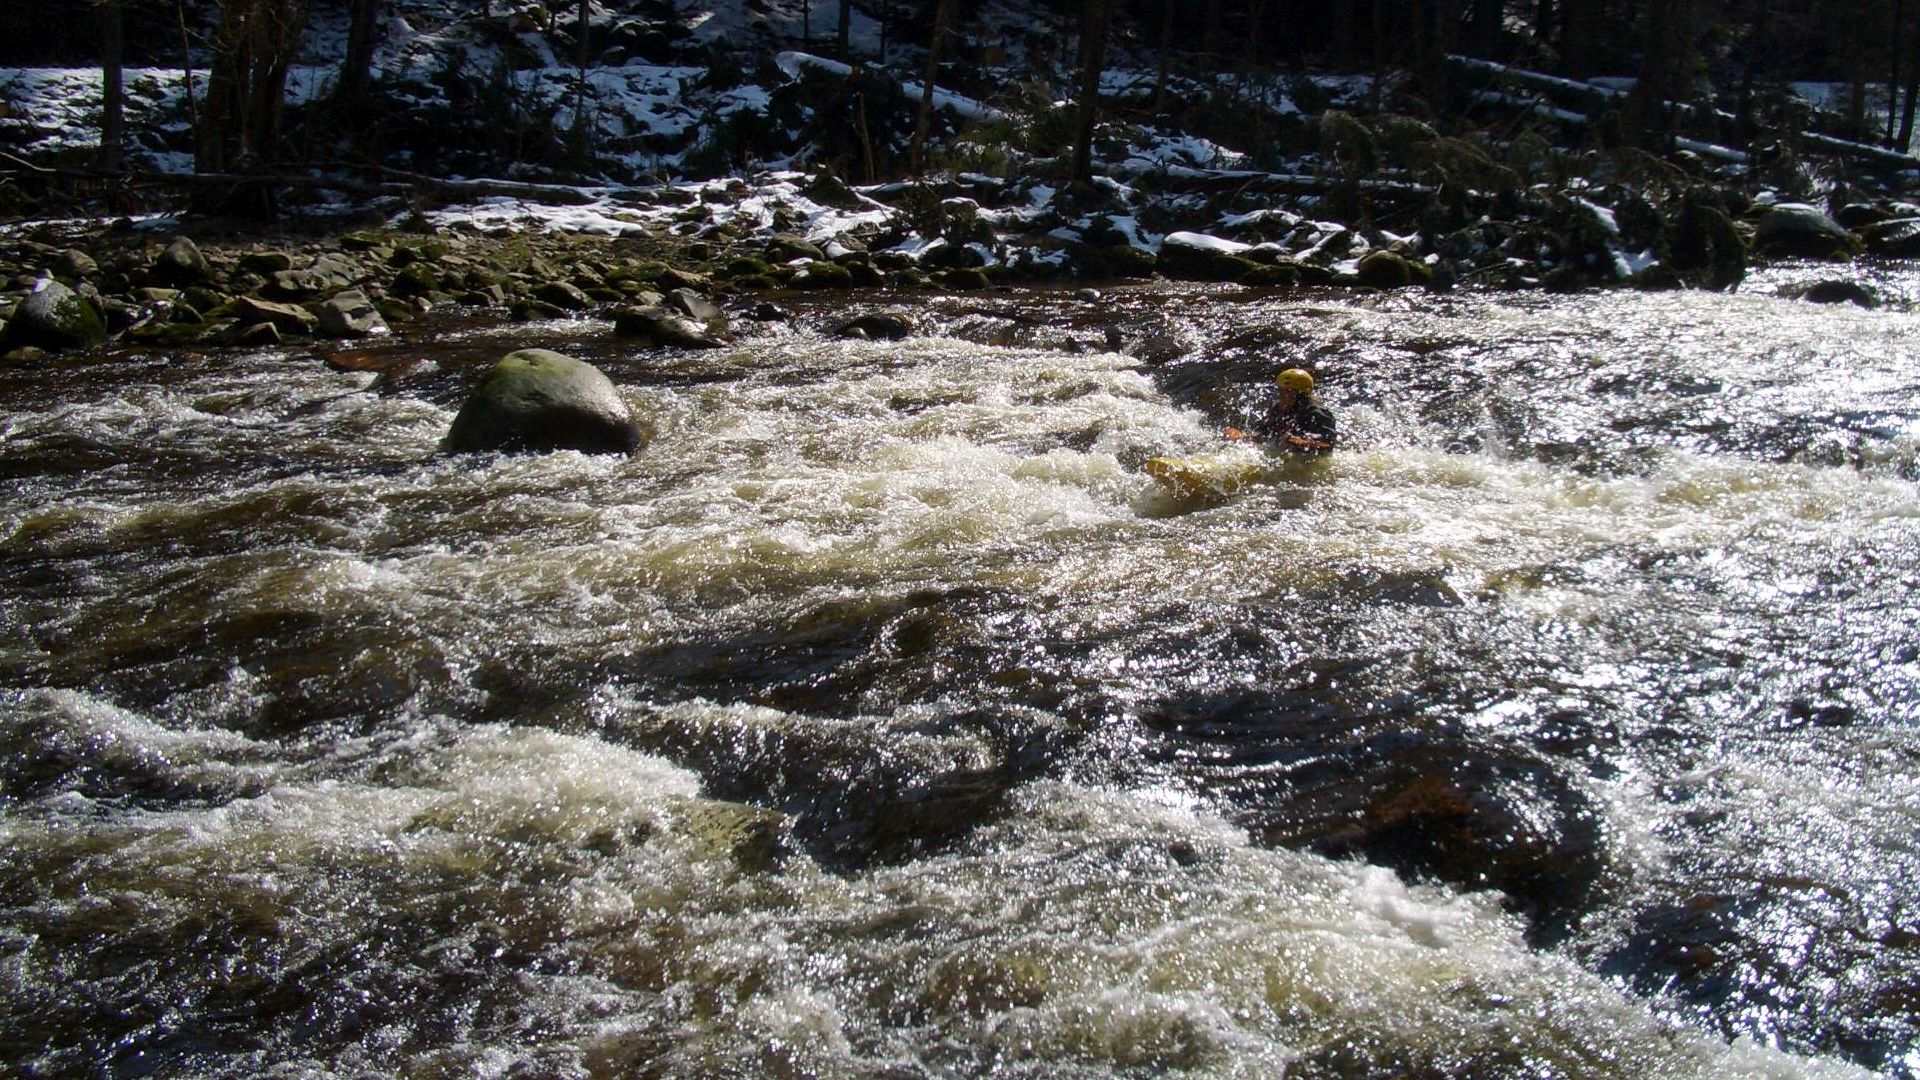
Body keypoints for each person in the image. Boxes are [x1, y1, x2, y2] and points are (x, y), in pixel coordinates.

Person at [1228, 367, 1336, 456]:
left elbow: (1329, 445)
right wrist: (1242, 437)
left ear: (1300, 396)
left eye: (1285, 393)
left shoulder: (1317, 413)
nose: (1281, 397)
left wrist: (1301, 442)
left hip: (1310, 461)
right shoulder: (1279, 409)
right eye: (1281, 392)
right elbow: (1264, 432)